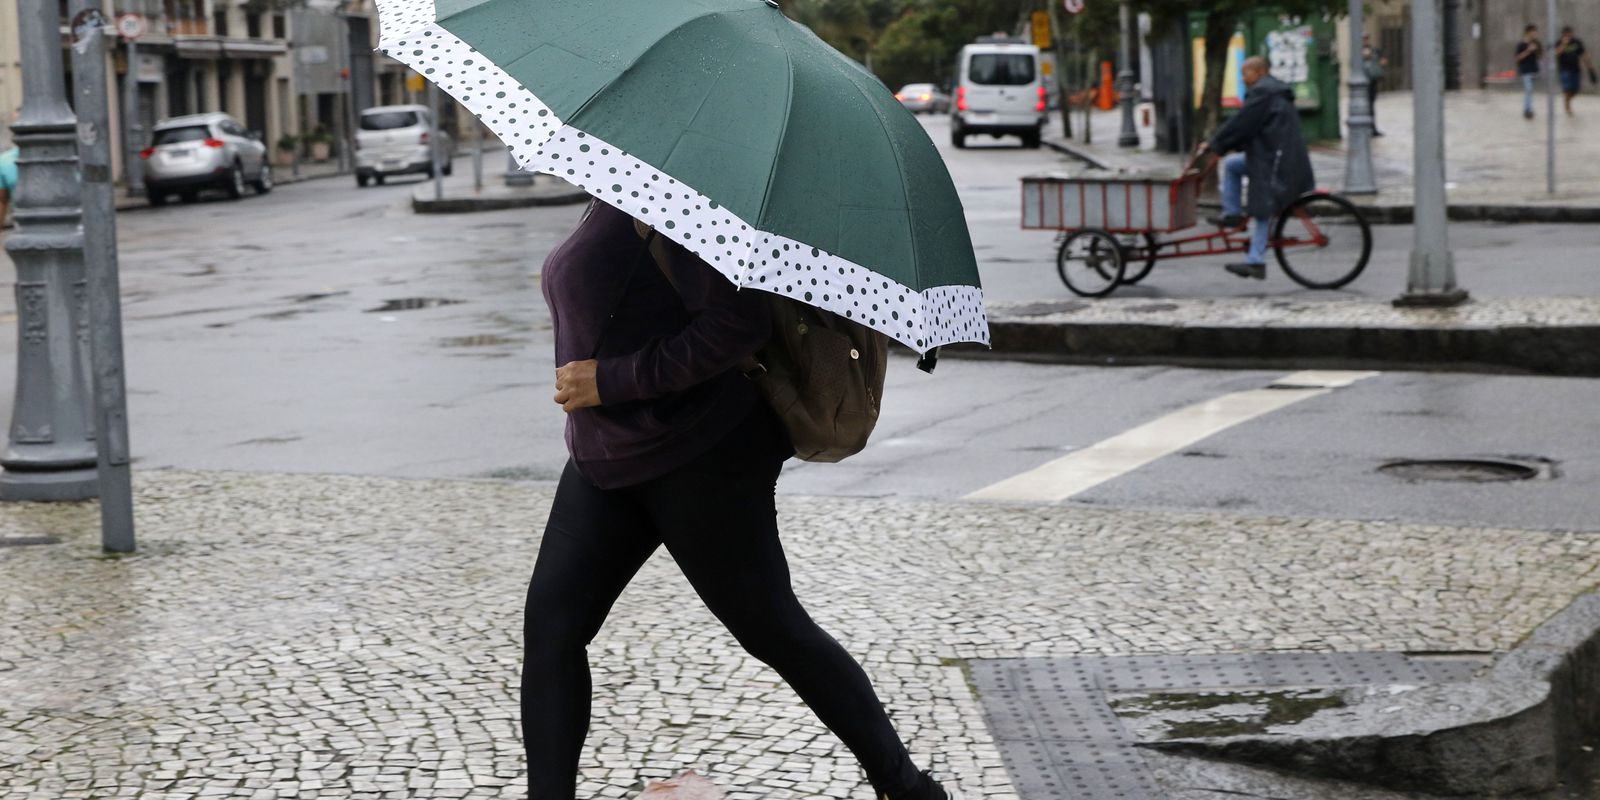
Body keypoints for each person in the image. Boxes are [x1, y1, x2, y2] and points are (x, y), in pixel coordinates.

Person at [525, 199, 958, 800]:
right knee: (552, 629)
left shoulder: (674, 204)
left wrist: (612, 379)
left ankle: (908, 788)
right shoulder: (616, 194)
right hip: (606, 457)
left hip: (697, 455)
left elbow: (736, 325)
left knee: (773, 628)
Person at [1197, 56, 1315, 281]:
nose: (1243, 79)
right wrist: (1225, 146)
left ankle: (1255, 262)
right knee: (1232, 166)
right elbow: (1254, 126)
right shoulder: (1272, 91)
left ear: (1259, 72)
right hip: (1276, 155)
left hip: (1275, 159)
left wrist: (1215, 144)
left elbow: (1242, 123)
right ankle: (1232, 214)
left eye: (1246, 73)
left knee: (1263, 205)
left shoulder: (1263, 92)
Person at [1556, 26, 1597, 116]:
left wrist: (1590, 67)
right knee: (1567, 88)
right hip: (1564, 69)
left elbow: (1583, 54)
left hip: (1575, 69)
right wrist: (1563, 44)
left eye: (1569, 34)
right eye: (1566, 34)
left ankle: (1567, 101)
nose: (1568, 36)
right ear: (1563, 35)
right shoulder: (1559, 42)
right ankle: (1568, 106)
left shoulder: (1577, 42)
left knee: (1575, 90)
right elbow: (1557, 53)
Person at [1361, 35, 1387, 136]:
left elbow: (1384, 61)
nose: (1365, 41)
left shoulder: (1374, 50)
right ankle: (1367, 128)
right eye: (1364, 39)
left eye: (1367, 38)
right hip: (1362, 83)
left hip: (1372, 82)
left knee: (1371, 106)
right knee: (1364, 106)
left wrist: (1375, 60)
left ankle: (1372, 128)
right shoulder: (1357, 51)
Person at [1517, 25, 1543, 120]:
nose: (1535, 34)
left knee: (1530, 91)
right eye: (1533, 32)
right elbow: (1518, 58)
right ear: (1527, 33)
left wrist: (1536, 50)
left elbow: (1540, 57)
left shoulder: (1537, 44)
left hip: (1534, 71)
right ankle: (1528, 110)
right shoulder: (1521, 45)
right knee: (1529, 90)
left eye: (1535, 32)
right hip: (1525, 70)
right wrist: (1528, 50)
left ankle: (1528, 109)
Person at [0, 144, 18, 230]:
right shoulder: (4, 160)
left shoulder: (4, 160)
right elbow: (2, 200)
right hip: (22, 226)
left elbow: (2, 201)